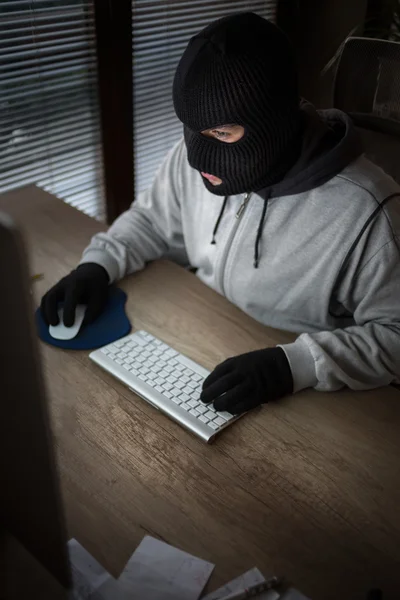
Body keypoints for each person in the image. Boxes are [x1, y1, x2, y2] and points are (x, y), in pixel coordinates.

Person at [41, 12, 400, 415]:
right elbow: (153, 219)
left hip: (310, 397)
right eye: (190, 127)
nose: (197, 155)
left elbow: (396, 334)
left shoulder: (370, 213)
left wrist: (294, 365)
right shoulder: (199, 157)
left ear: (273, 120)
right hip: (204, 333)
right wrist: (97, 266)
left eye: (221, 133)